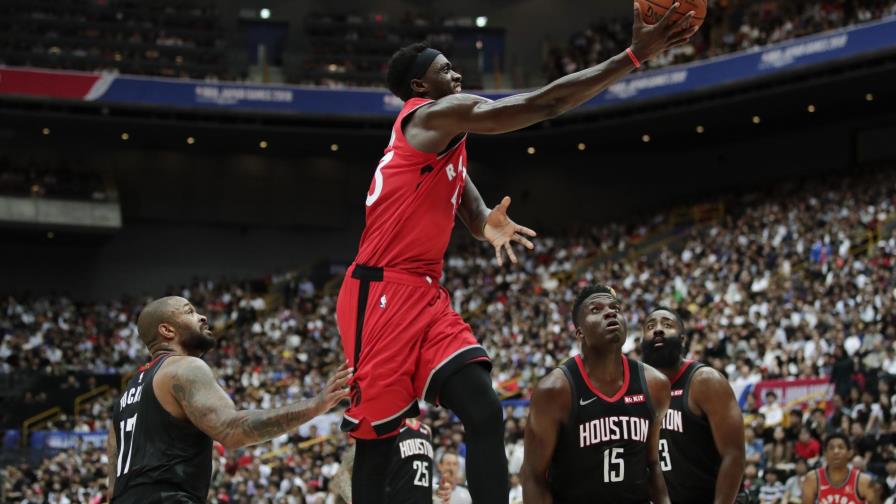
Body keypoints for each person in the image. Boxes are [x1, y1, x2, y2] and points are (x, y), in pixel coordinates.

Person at [338, 4, 698, 503]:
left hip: (424, 292)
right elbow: (543, 105)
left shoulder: (442, 141)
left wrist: (487, 222)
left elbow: (466, 201)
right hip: (380, 292)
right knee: (378, 441)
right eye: (445, 69)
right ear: (420, 87)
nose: (457, 75)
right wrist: (633, 56)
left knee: (485, 410)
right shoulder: (428, 116)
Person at [108, 296, 352, 503]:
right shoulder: (182, 368)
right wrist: (315, 405)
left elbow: (112, 489)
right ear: (167, 331)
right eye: (190, 312)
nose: (202, 317)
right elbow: (233, 430)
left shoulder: (125, 398)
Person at [520, 285, 672, 504]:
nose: (610, 313)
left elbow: (653, 464)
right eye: (596, 310)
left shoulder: (656, 385)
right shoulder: (554, 391)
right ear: (579, 332)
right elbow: (533, 476)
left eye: (615, 308)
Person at [640, 307, 745, 504]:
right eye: (650, 326)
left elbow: (734, 455)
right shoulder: (638, 389)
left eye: (667, 325)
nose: (658, 329)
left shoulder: (705, 381)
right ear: (641, 341)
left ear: (682, 339)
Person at [332, 417, 438, 504]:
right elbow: (343, 472)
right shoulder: (382, 430)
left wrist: (436, 492)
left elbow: (415, 481)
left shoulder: (426, 431)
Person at [801, 432, 880, 504]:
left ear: (850, 453)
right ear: (825, 454)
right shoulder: (812, 479)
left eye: (841, 447)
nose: (836, 451)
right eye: (831, 448)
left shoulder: (864, 481)